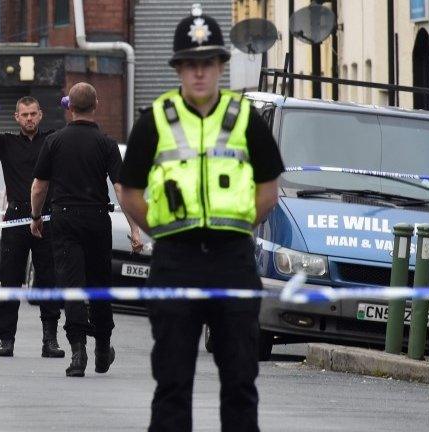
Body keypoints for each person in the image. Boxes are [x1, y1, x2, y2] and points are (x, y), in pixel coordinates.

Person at [118, 7, 284, 432]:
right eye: (190, 65)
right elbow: (130, 190)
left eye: (207, 63)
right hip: (176, 259)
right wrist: (163, 233)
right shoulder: (155, 119)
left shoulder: (246, 118)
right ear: (178, 68)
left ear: (220, 66)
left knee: (241, 382)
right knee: (172, 383)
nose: (198, 74)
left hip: (232, 258)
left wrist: (239, 227)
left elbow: (269, 189)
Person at [30, 82, 142, 377]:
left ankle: (77, 353)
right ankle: (102, 349)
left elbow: (39, 185)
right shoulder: (106, 144)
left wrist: (36, 216)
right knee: (98, 286)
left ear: (69, 107)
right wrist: (135, 229)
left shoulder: (54, 141)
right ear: (96, 105)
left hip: (64, 219)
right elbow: (120, 188)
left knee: (72, 287)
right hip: (96, 220)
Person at [0, 96, 64, 358]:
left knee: (48, 280)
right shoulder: (7, 142)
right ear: (17, 118)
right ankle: (6, 339)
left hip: (46, 218)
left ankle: (50, 339)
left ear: (40, 115)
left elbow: (77, 134)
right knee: (10, 281)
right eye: (24, 114)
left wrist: (70, 110)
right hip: (17, 217)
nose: (29, 118)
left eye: (33, 114)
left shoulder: (52, 140)